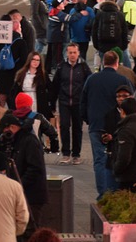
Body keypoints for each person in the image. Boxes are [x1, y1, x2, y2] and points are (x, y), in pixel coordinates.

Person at [81, 51, 128, 197]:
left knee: (100, 160)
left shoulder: (92, 79)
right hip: (117, 126)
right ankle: (115, 191)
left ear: (102, 62)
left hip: (97, 126)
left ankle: (103, 193)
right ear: (117, 62)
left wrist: (88, 120)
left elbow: (82, 102)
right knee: (117, 158)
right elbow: (130, 103)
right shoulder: (122, 80)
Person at [51, 43, 90, 165]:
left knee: (77, 128)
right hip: (64, 102)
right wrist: (52, 103)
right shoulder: (61, 67)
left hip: (78, 102)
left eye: (74, 52)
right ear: (67, 53)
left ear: (78, 53)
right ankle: (66, 153)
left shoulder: (83, 67)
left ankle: (76, 154)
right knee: (64, 127)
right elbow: (55, 86)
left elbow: (89, 84)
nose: (72, 55)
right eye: (70, 52)